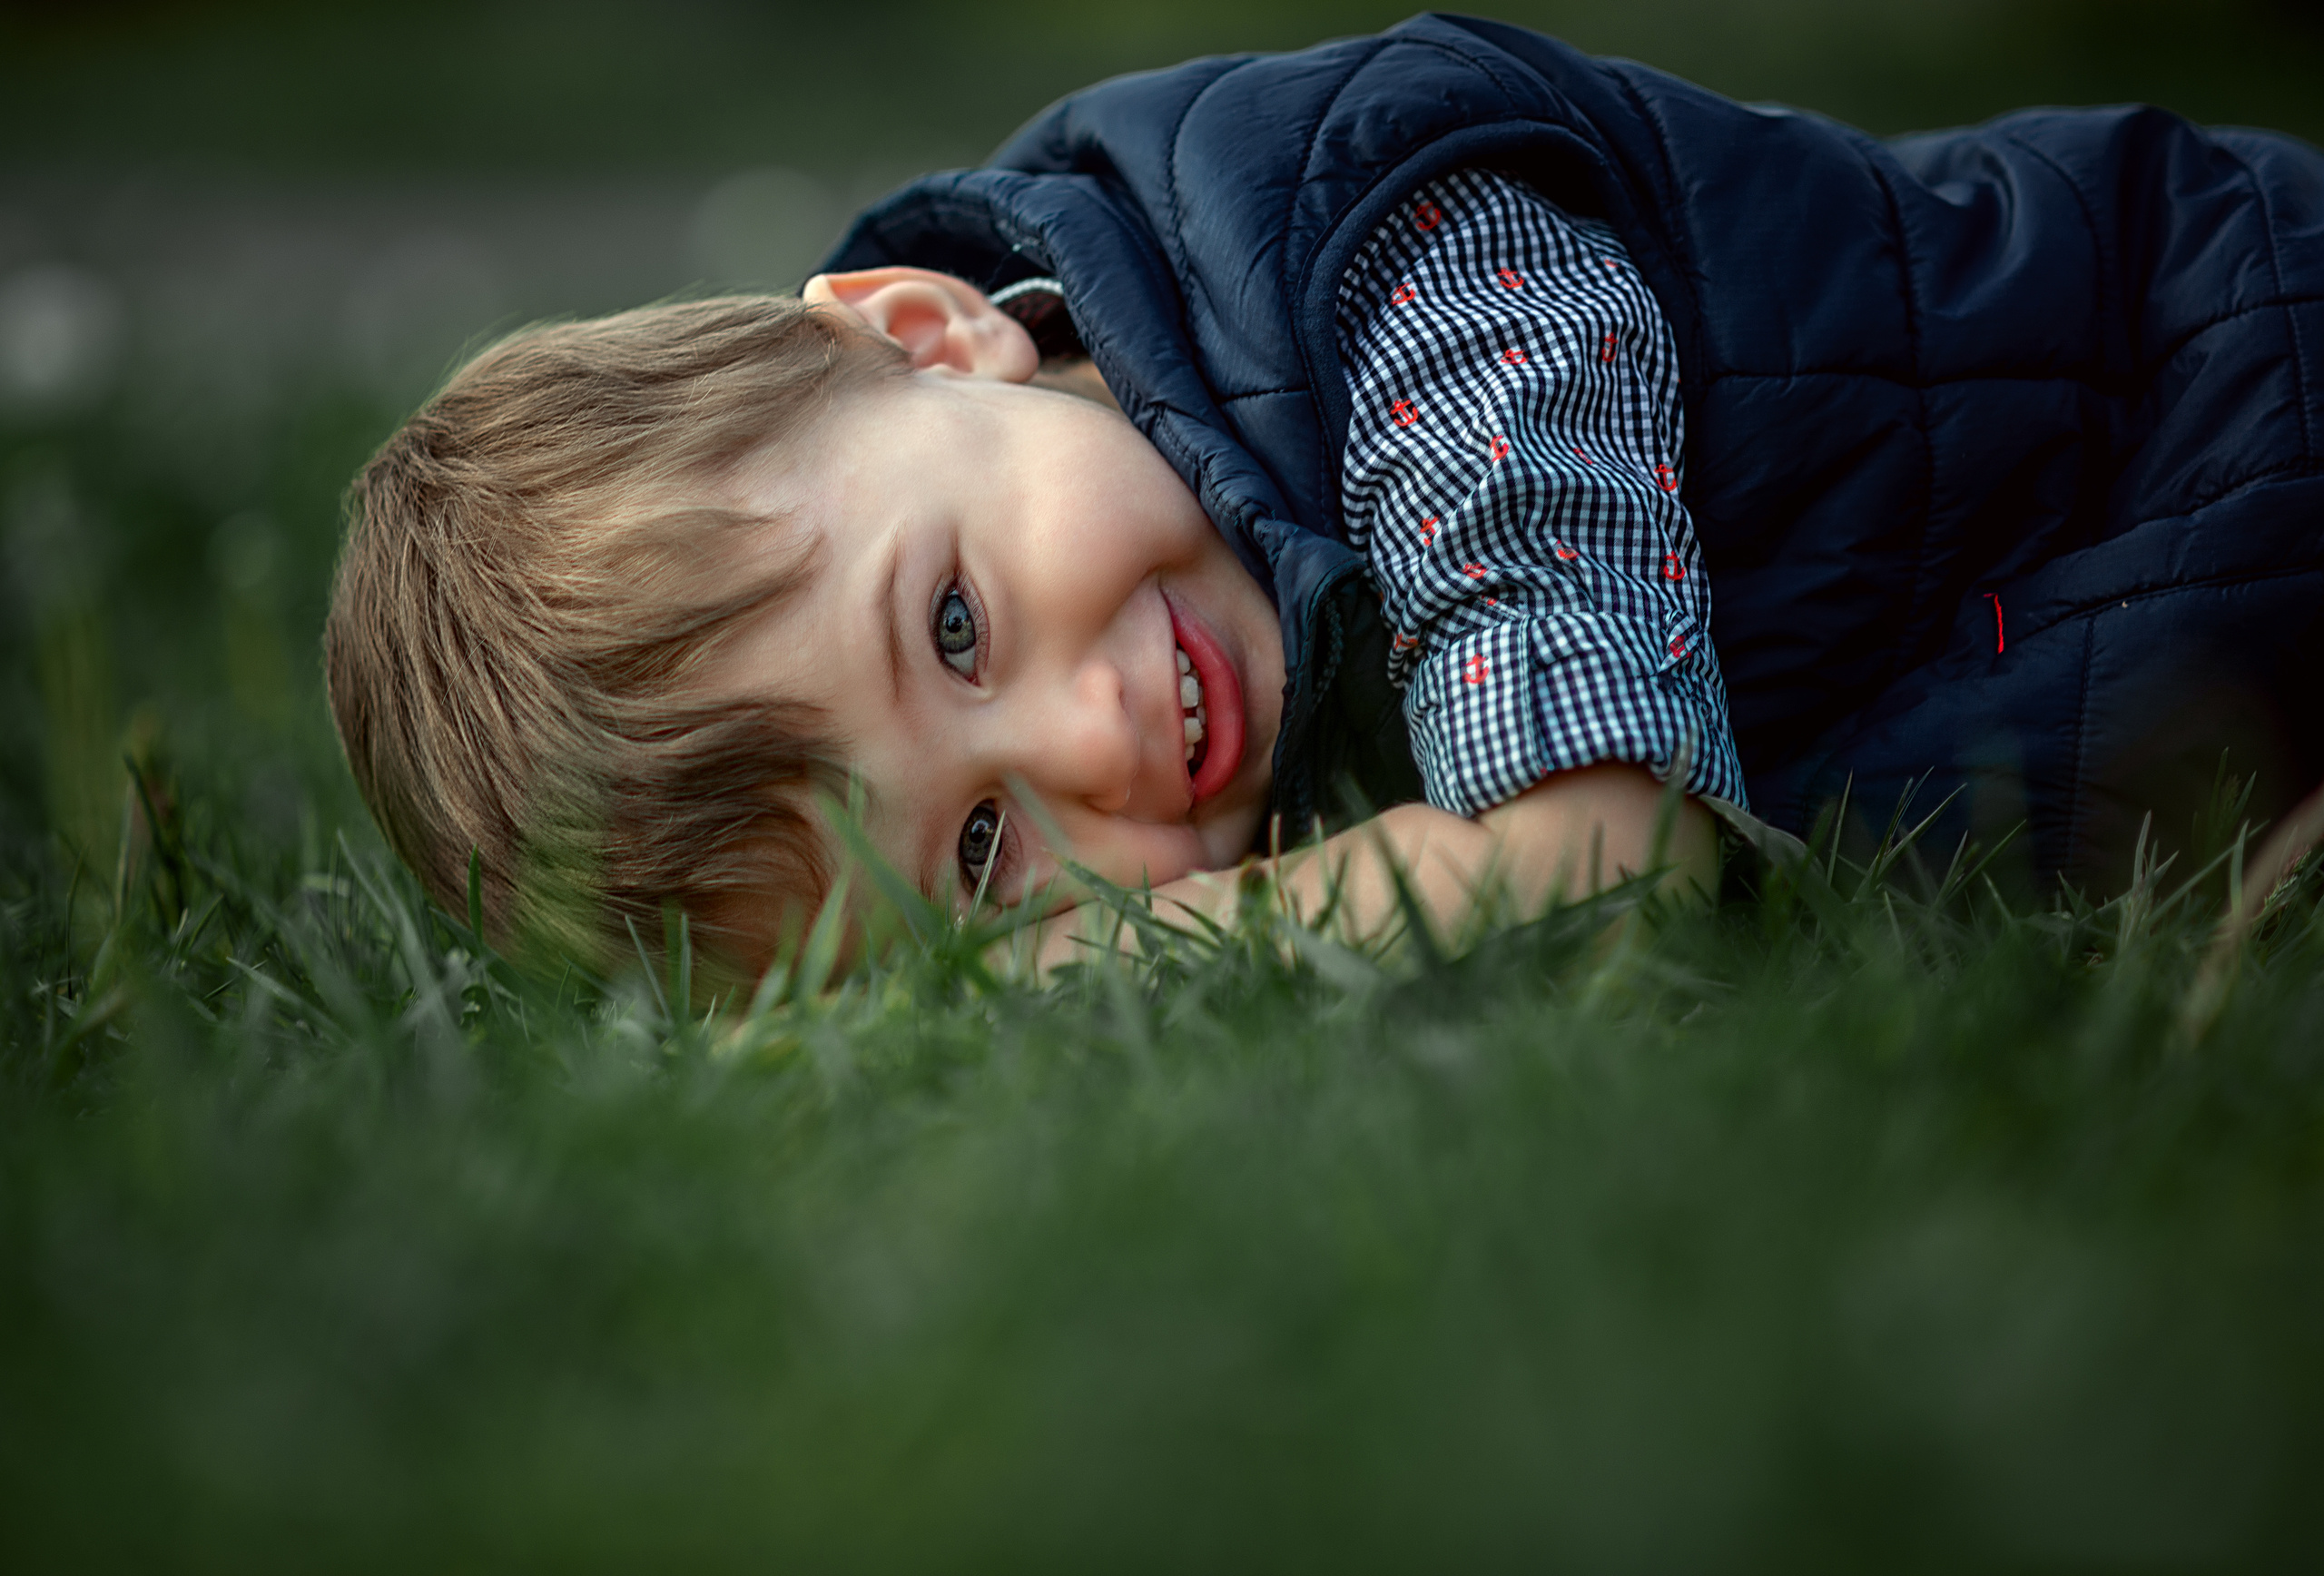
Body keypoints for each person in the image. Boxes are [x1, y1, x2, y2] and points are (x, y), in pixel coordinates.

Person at [325, 14, 2324, 989]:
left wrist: (1091, 964)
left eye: (953, 622)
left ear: (931, 334)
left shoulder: (1408, 269)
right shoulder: (1249, 645)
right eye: (983, 856)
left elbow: (1607, 855)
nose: (1091, 737)